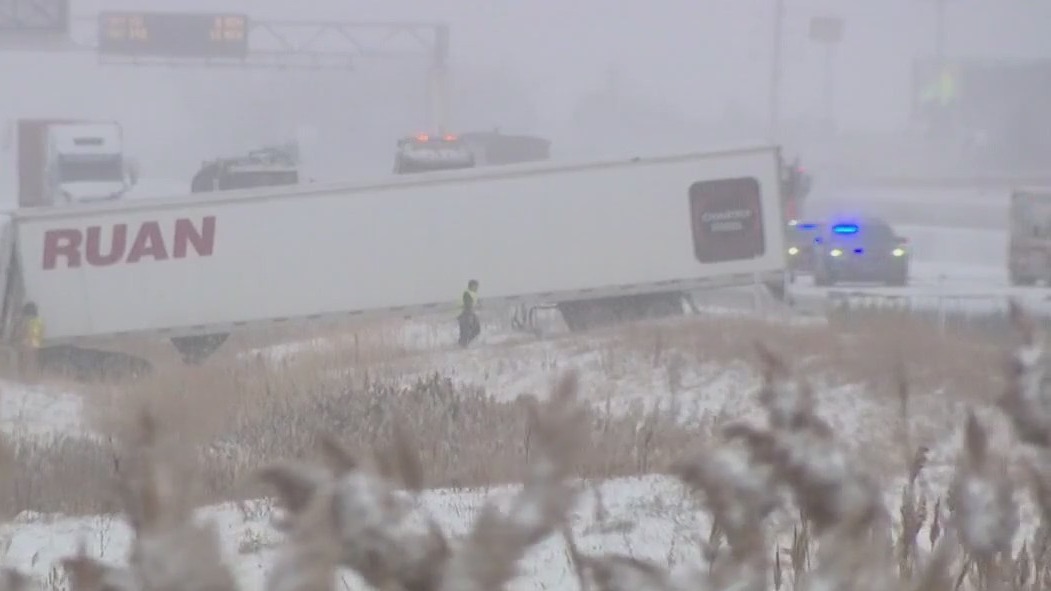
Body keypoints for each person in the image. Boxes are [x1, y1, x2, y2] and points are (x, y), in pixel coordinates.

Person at [15, 302, 44, 382]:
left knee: (23, 362)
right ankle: (29, 379)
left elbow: (25, 332)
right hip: (35, 345)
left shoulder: (29, 321)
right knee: (31, 363)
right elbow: (40, 333)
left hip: (27, 344)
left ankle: (23, 379)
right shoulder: (39, 321)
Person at [458, 279, 481, 347]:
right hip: (465, 315)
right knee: (466, 332)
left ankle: (465, 344)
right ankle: (463, 346)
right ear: (472, 286)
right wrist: (476, 306)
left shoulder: (472, 294)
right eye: (476, 286)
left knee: (476, 330)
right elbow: (468, 305)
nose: (477, 288)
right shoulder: (467, 293)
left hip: (470, 314)